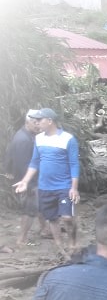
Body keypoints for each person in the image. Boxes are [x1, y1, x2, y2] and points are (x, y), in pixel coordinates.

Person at [14, 108, 80, 256]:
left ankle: (73, 241)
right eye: (35, 120)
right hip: (45, 186)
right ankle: (60, 246)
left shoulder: (68, 139)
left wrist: (74, 188)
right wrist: (25, 181)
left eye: (40, 120)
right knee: (52, 218)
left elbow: (74, 164)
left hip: (64, 186)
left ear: (50, 121)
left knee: (67, 217)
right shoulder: (39, 139)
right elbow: (34, 162)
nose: (36, 123)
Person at [3, 110, 45, 246]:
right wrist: (29, 183)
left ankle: (45, 230)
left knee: (40, 205)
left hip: (30, 179)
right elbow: (23, 165)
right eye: (35, 122)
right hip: (27, 181)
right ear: (27, 122)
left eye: (39, 122)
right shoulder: (23, 140)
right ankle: (22, 239)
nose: (38, 125)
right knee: (30, 209)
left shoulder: (26, 135)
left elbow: (9, 155)